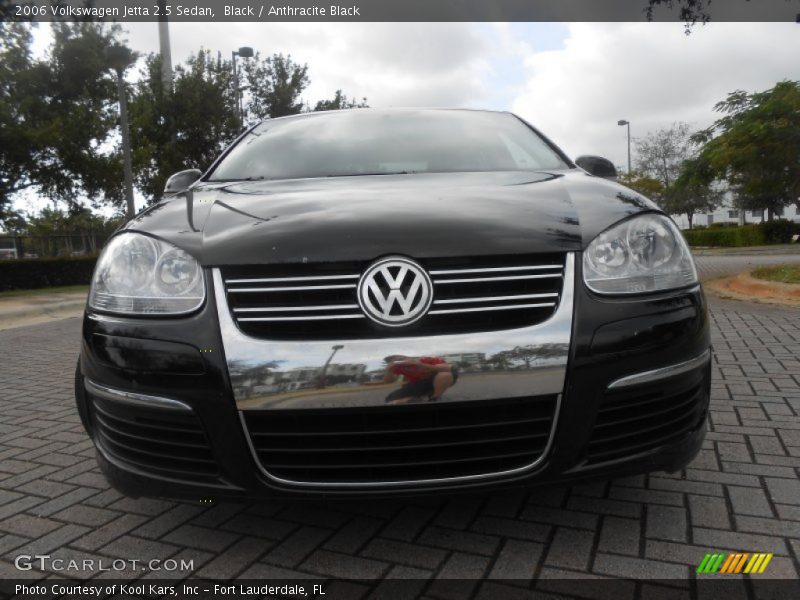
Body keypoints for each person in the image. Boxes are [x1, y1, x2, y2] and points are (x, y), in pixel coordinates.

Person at [381, 355, 458, 405]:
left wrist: (418, 364)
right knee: (391, 398)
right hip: (419, 383)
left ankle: (434, 398)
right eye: (396, 361)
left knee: (444, 375)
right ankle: (414, 399)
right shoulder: (399, 368)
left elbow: (447, 369)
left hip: (438, 379)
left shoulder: (426, 359)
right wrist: (389, 370)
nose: (402, 361)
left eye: (401, 358)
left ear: (409, 357)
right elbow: (388, 381)